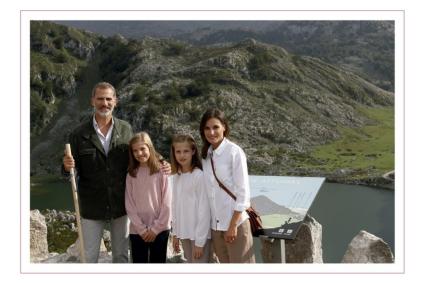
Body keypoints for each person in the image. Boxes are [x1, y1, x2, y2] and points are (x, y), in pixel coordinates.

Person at [62, 82, 170, 263]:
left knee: (121, 256)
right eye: (100, 99)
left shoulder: (125, 129)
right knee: (89, 257)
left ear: (115, 101)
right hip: (91, 206)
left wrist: (162, 162)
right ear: (92, 101)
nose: (104, 103)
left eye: (108, 99)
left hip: (121, 205)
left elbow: (141, 150)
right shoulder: (78, 134)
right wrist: (66, 167)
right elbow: (69, 172)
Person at [199, 108, 255, 263]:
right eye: (207, 128)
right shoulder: (205, 155)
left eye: (215, 127)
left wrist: (232, 226)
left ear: (224, 127)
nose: (211, 132)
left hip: (234, 225)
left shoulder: (234, 152)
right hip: (216, 228)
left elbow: (243, 194)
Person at [125, 132, 172, 263]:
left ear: (150, 148)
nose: (139, 153)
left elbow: (167, 203)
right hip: (137, 231)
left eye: (142, 149)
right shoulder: (131, 174)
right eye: (135, 151)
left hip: (160, 229)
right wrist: (141, 229)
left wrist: (155, 229)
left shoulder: (162, 171)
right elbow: (129, 204)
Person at [169, 134, 211, 263]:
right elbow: (175, 207)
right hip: (184, 234)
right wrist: (175, 234)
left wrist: (200, 242)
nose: (182, 155)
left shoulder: (199, 176)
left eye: (186, 151)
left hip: (199, 237)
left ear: (193, 151)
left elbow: (204, 210)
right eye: (178, 152)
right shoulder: (176, 177)